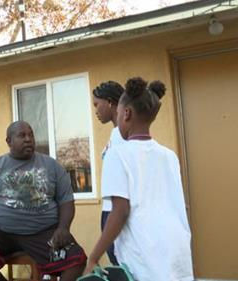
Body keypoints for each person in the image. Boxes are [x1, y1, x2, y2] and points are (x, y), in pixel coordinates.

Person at [83, 78, 194, 281]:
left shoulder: (118, 154)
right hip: (176, 248)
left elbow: (121, 210)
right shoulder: (169, 155)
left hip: (145, 250)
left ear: (126, 113)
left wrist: (94, 256)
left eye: (118, 112)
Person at [0, 121, 87, 281]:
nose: (28, 139)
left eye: (31, 135)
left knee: (77, 260)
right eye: (22, 135)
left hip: (43, 234)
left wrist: (64, 227)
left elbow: (66, 201)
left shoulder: (52, 166)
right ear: (8, 141)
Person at [92, 80, 125, 265]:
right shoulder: (116, 134)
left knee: (120, 260)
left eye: (97, 105)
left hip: (116, 210)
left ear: (111, 102)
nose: (96, 110)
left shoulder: (123, 135)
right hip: (108, 208)